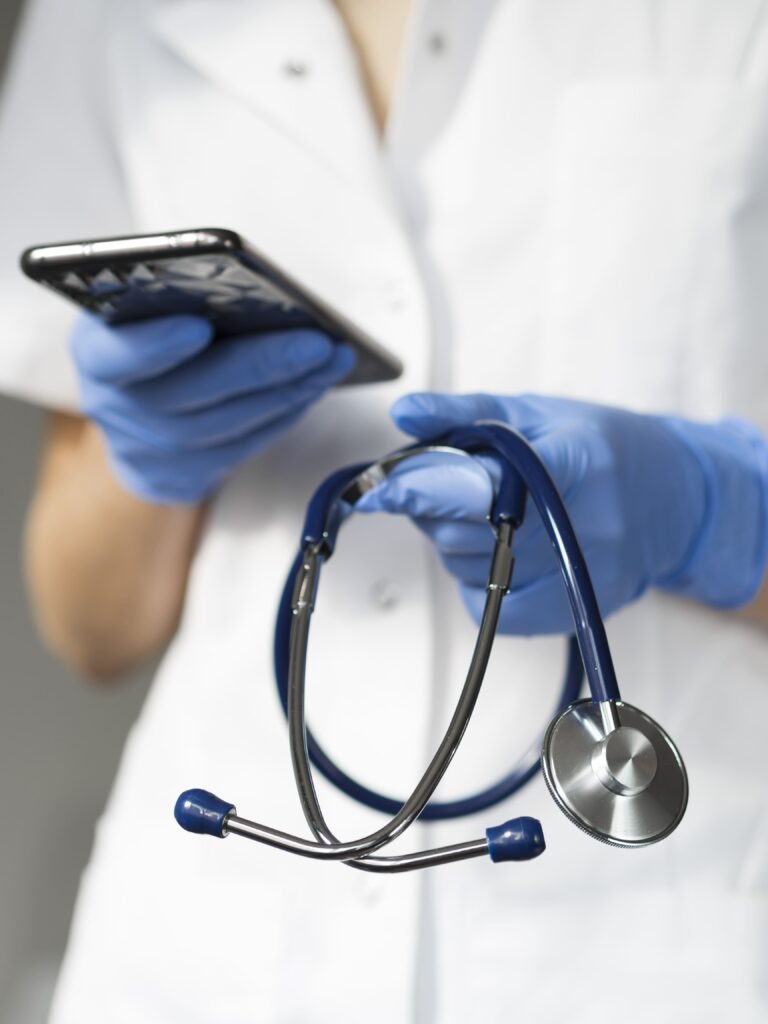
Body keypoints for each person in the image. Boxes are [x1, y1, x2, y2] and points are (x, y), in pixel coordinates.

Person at [1, 0, 767, 1020]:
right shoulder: (99, 16)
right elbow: (89, 630)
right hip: (208, 944)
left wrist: (713, 507)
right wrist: (142, 456)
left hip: (652, 936)